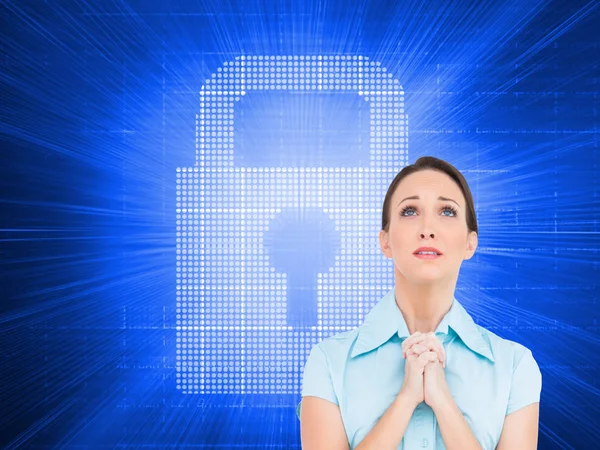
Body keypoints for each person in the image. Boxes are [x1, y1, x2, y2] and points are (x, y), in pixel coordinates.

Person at [296, 156, 542, 450]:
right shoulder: (328, 362)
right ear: (385, 241)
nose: (427, 228)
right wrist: (407, 398)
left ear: (470, 243)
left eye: (447, 211)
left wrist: (442, 401)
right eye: (410, 211)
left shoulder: (514, 366)